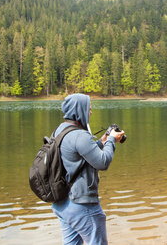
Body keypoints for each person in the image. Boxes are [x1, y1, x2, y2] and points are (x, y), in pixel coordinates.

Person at [51, 93, 124, 245]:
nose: (91, 112)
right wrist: (111, 140)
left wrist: (102, 142)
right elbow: (103, 162)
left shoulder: (60, 130)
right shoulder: (80, 135)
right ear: (79, 110)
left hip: (62, 203)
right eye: (88, 109)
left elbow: (77, 155)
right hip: (82, 205)